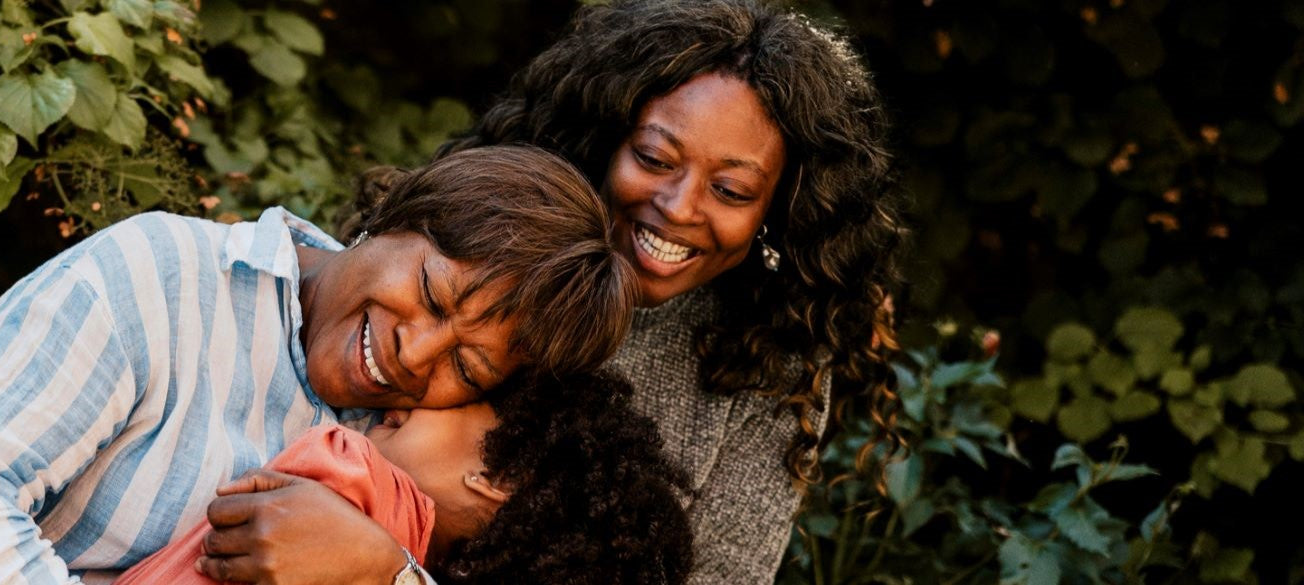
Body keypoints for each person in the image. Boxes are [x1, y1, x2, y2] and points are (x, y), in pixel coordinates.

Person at [194, 1, 907, 583]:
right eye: (654, 158)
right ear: (606, 136)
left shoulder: (769, 364)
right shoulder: (491, 246)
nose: (680, 206)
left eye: (729, 190)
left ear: (778, 212)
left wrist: (391, 574)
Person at [0, 145, 638, 584]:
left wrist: (381, 571)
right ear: (401, 215)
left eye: (467, 365)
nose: (416, 354)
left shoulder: (399, 454)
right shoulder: (163, 277)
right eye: (431, 294)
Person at [119, 372, 692, 585]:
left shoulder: (352, 469)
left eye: (466, 395)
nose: (418, 392)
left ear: (498, 472)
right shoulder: (398, 557)